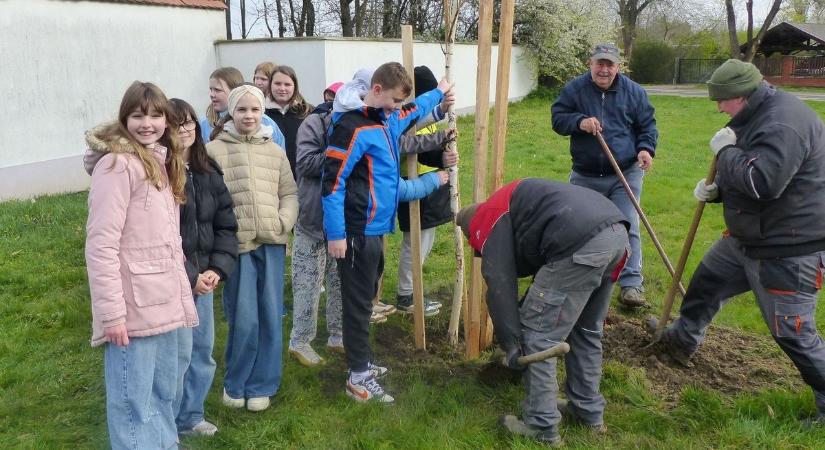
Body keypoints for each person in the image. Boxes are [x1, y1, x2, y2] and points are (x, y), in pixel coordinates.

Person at [649, 59, 825, 427]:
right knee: (705, 285)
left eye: (722, 101)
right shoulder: (754, 116)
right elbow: (751, 174)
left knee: (793, 333)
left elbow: (762, 182)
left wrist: (726, 153)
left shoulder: (783, 123)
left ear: (743, 96)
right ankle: (681, 342)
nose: (718, 108)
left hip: (788, 248)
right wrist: (718, 192)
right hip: (748, 238)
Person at [455, 178, 629, 446]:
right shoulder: (519, 207)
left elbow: (500, 284)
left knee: (538, 337)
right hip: (615, 236)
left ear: (471, 231)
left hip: (579, 244)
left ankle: (541, 425)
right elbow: (542, 280)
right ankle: (587, 412)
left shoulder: (486, 219)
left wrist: (513, 344)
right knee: (585, 331)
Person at [322, 62, 452, 402]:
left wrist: (440, 94)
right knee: (356, 303)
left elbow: (414, 108)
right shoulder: (351, 127)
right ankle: (357, 377)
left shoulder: (384, 119)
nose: (397, 107)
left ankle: (362, 363)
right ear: (376, 90)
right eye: (393, 99)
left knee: (365, 301)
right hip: (354, 231)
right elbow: (332, 184)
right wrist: (336, 235)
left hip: (376, 229)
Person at [84, 81, 197, 449]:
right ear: (124, 118)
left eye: (155, 115)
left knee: (163, 394)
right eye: (137, 115)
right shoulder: (117, 166)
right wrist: (112, 314)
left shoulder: (161, 161)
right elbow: (101, 245)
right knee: (134, 403)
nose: (147, 123)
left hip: (165, 299)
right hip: (133, 308)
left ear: (166, 119)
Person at [206, 85, 298, 412]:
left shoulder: (274, 151)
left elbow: (289, 192)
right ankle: (237, 381)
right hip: (237, 247)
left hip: (271, 243)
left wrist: (282, 221)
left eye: (255, 110)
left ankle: (263, 383)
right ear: (231, 112)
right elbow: (208, 201)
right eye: (242, 110)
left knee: (271, 314)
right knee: (244, 318)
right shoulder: (214, 150)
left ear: (262, 113)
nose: (248, 116)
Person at [551, 42, 658, 308]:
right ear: (591, 63)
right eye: (600, 63)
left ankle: (631, 284)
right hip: (585, 174)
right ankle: (579, 279)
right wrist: (579, 122)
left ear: (618, 67)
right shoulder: (575, 89)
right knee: (580, 226)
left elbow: (647, 125)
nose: (604, 69)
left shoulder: (633, 92)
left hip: (625, 172)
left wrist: (646, 149)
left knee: (627, 224)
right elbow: (557, 119)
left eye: (610, 64)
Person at [168, 98, 238, 437]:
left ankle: (191, 416)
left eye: (190, 122)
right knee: (176, 356)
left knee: (202, 351)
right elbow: (163, 238)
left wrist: (216, 270)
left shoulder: (208, 169)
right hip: (174, 282)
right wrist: (191, 277)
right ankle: (168, 421)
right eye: (177, 123)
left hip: (204, 280)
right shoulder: (159, 173)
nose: (185, 129)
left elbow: (226, 225)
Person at [395, 65, 458, 316]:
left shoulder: (424, 117)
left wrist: (444, 159)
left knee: (423, 242)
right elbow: (415, 145)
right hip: (412, 184)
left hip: (428, 184)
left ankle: (410, 292)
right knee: (415, 244)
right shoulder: (409, 119)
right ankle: (406, 296)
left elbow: (429, 146)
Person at [199, 67, 286, 148]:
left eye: (217, 90)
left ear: (234, 92)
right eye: (211, 89)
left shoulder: (266, 123)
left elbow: (280, 155)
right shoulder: (204, 124)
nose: (211, 95)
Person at [265, 65, 313, 177]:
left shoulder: (307, 112)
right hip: (272, 177)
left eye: (287, 84)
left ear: (294, 86)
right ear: (270, 84)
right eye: (277, 84)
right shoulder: (261, 113)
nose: (282, 88)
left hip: (302, 177)